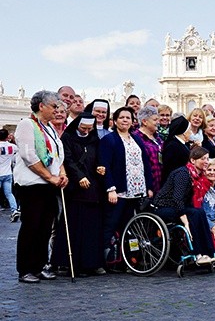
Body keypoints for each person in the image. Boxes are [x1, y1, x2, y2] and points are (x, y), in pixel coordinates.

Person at [14, 91, 69, 283]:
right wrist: (50, 176)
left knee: (45, 227)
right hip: (32, 185)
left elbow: (57, 156)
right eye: (54, 106)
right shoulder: (26, 125)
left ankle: (39, 265)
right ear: (41, 106)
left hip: (49, 185)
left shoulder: (50, 129)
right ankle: (25, 269)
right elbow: (29, 156)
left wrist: (62, 174)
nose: (57, 110)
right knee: (31, 226)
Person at [52, 113, 105, 276]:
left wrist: (100, 167)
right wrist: (79, 176)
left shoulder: (94, 138)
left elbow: (97, 158)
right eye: (83, 128)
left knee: (91, 227)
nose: (86, 131)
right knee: (75, 226)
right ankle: (73, 264)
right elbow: (67, 160)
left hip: (93, 187)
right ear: (77, 125)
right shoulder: (67, 138)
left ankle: (90, 263)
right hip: (75, 189)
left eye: (89, 128)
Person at [100, 106, 153, 266]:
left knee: (132, 228)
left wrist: (148, 186)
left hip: (137, 191)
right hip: (119, 191)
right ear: (115, 121)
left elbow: (146, 163)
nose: (125, 120)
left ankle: (132, 259)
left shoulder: (137, 139)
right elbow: (105, 165)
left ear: (132, 121)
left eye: (128, 118)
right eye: (121, 117)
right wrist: (111, 188)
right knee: (111, 225)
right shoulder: (109, 140)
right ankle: (105, 259)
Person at [153, 147, 215, 266]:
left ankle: (207, 252)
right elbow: (177, 198)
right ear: (193, 160)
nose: (207, 161)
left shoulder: (198, 176)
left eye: (207, 159)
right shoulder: (182, 174)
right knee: (194, 214)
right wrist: (185, 222)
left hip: (177, 206)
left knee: (200, 212)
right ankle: (197, 254)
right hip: (164, 207)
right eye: (203, 159)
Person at [132, 106, 163, 195]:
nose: (158, 122)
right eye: (155, 120)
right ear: (144, 121)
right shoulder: (135, 138)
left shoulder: (158, 138)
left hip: (159, 185)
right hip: (145, 187)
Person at [161, 116, 192, 183]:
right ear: (184, 132)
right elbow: (170, 169)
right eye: (189, 130)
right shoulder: (172, 146)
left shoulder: (183, 144)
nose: (191, 133)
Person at [0, 128, 19, 222]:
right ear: (7, 136)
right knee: (9, 193)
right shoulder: (12, 147)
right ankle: (14, 210)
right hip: (8, 173)